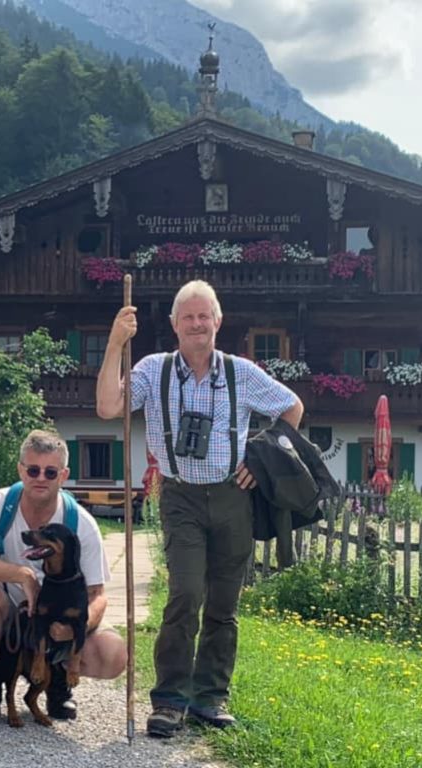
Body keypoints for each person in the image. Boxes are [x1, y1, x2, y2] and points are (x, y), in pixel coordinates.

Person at [96, 279, 303, 737]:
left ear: (218, 321)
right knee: (186, 593)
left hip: (234, 497)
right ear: (174, 324)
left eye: (203, 315)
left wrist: (261, 459)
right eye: (187, 316)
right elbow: (109, 406)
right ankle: (170, 698)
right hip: (181, 496)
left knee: (224, 605)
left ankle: (211, 696)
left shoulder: (240, 374)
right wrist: (115, 344)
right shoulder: (154, 370)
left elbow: (293, 408)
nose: (196, 323)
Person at [0, 429, 128, 728]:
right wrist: (20, 574)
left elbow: (97, 594)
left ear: (64, 475)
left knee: (113, 654)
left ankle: (58, 683)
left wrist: (76, 630)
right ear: (20, 469)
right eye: (33, 470)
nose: (40, 478)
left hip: (60, 619)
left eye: (50, 472)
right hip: (9, 611)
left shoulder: (80, 523)